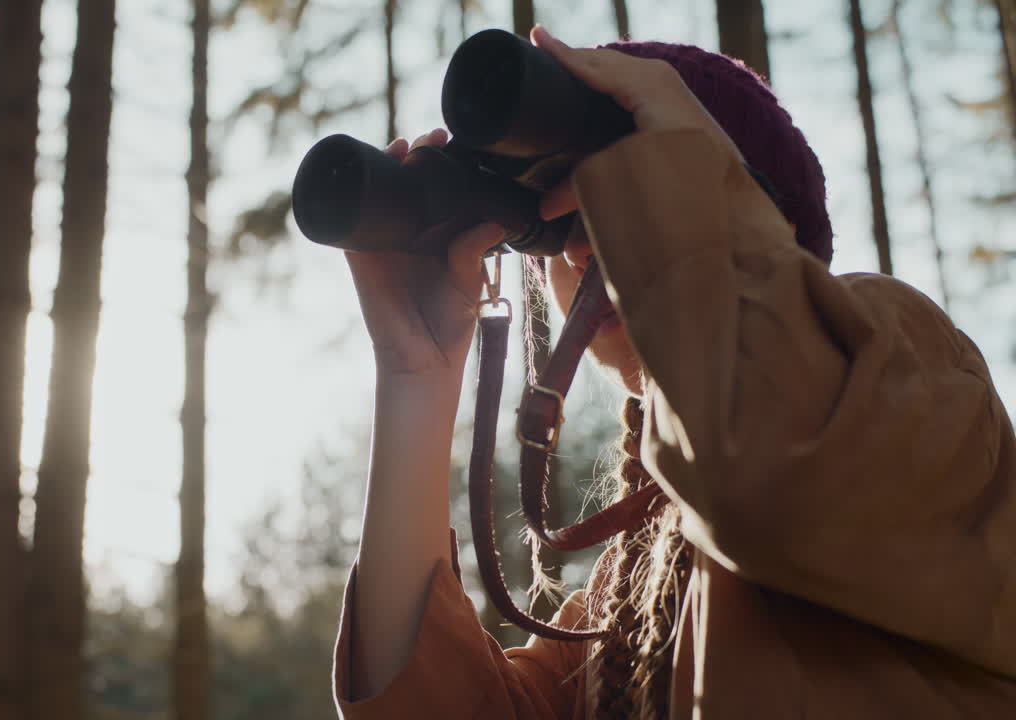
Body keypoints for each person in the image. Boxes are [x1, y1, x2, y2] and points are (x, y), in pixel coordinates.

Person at [330, 23, 1016, 719]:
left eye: (616, 189)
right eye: (552, 218)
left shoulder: (903, 360)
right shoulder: (625, 601)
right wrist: (415, 377)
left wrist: (679, 184)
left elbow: (770, 475)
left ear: (747, 203)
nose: (576, 251)